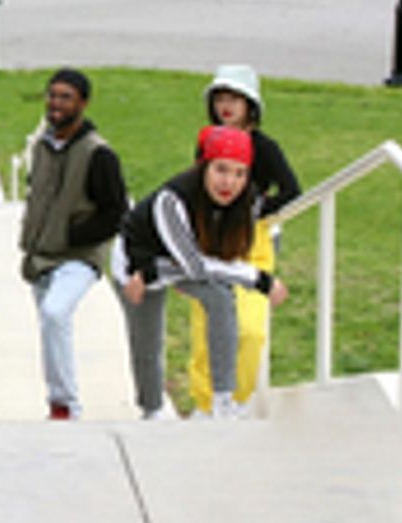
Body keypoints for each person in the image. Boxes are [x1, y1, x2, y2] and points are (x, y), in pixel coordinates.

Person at [114, 125, 290, 420]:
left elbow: (215, 260)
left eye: (239, 173)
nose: (229, 183)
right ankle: (152, 410)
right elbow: (193, 266)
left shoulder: (245, 201)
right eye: (221, 170)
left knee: (221, 297)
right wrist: (260, 279)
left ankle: (222, 399)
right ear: (204, 166)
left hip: (178, 263)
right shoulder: (171, 200)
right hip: (137, 262)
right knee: (148, 340)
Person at [187, 64, 301, 414]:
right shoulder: (207, 140)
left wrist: (256, 209)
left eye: (235, 98)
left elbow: (291, 190)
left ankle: (239, 398)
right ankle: (206, 403)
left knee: (250, 331)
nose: (226, 106)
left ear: (250, 104)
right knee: (207, 326)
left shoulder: (264, 147)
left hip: (252, 244)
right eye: (220, 98)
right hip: (209, 239)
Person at [18, 68, 128, 420]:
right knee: (50, 327)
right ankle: (56, 401)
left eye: (65, 97)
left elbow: (115, 213)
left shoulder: (99, 154)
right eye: (52, 95)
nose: (56, 104)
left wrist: (71, 236)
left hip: (79, 257)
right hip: (41, 257)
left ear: (83, 103)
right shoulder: (42, 146)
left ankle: (67, 404)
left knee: (55, 312)